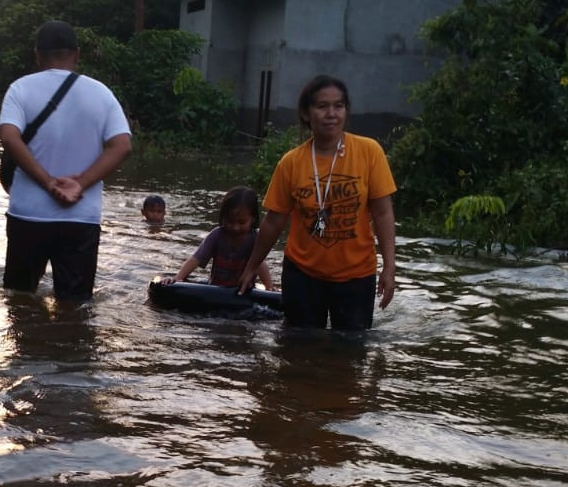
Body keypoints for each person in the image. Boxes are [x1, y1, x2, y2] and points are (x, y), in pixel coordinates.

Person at [238, 74, 396, 331]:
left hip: (356, 275)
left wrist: (389, 268)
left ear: (346, 110)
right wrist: (251, 267)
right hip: (303, 275)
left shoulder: (369, 152)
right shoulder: (291, 163)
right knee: (299, 351)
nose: (331, 113)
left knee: (350, 354)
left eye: (338, 105)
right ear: (306, 112)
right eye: (322, 106)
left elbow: (383, 214)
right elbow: (274, 222)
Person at [0, 20, 132, 302]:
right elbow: (122, 146)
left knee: (18, 301)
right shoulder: (101, 93)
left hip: (28, 215)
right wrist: (79, 183)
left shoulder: (20, 89)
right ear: (77, 53)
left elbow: (10, 138)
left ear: (37, 54)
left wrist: (47, 182)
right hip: (80, 218)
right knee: (75, 308)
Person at [162, 186, 274, 289]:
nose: (235, 227)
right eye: (230, 221)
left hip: (244, 291)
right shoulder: (217, 235)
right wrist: (178, 278)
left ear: (253, 219)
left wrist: (269, 287)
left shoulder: (254, 239)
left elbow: (260, 263)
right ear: (223, 217)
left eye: (242, 222)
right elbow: (196, 259)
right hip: (217, 289)